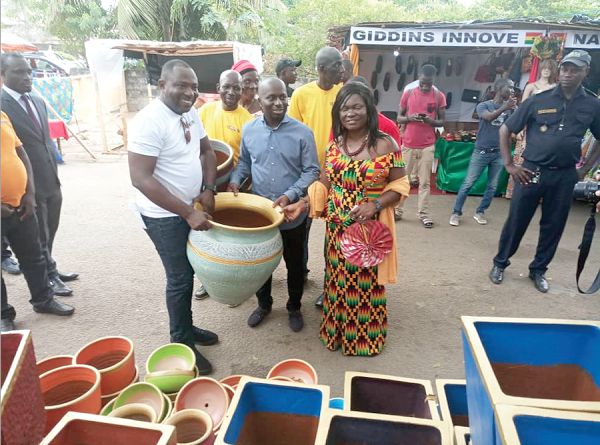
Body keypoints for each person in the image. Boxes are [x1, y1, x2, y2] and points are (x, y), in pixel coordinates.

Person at [284, 82, 409, 356]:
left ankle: (363, 341)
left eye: (356, 106)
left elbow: (400, 186)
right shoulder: (334, 147)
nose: (350, 113)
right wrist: (302, 204)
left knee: (364, 287)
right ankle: (336, 333)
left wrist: (374, 204)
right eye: (344, 108)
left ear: (369, 109)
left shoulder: (386, 145)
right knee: (336, 282)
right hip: (336, 231)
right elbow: (325, 185)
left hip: (368, 234)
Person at [128, 59, 219, 374]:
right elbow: (140, 178)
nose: (190, 92)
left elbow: (207, 152)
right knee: (180, 278)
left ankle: (188, 328)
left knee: (189, 272)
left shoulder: (190, 112)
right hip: (163, 215)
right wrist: (186, 212)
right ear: (162, 85)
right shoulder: (148, 121)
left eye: (193, 86)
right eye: (182, 85)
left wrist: (209, 188)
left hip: (191, 207)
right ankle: (181, 344)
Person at [489, 50, 600, 293]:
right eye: (565, 69)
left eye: (574, 70)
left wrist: (585, 170)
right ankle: (500, 263)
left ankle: (538, 270)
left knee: (554, 225)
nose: (568, 74)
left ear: (585, 72)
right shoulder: (538, 100)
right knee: (516, 220)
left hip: (564, 175)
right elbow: (505, 129)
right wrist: (509, 165)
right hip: (530, 171)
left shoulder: (592, 105)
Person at [227, 78, 320, 332]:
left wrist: (291, 194)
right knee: (261, 263)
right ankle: (264, 305)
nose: (279, 102)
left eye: (283, 96)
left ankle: (294, 307)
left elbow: (312, 170)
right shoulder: (249, 129)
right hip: (260, 214)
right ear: (259, 99)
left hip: (293, 215)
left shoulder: (302, 132)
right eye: (272, 98)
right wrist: (236, 179)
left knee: (295, 264)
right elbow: (245, 162)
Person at [1, 53, 78, 297]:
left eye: (28, 71)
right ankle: (49, 276)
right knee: (37, 235)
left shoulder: (37, 99)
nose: (26, 77)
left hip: (49, 177)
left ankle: (50, 266)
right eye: (18, 72)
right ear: (3, 75)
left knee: (50, 229)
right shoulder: (2, 104)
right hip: (26, 184)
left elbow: (43, 140)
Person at [1, 111, 74, 332]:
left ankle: (43, 300)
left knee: (33, 257)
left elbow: (20, 151)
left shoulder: (3, 115)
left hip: (21, 204)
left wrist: (30, 192)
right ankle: (3, 315)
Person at [288, 46, 344, 306]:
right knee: (302, 229)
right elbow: (292, 134)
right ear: (322, 68)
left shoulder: (343, 94)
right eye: (336, 67)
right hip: (309, 175)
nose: (341, 71)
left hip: (339, 174)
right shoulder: (301, 94)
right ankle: (301, 274)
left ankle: (330, 286)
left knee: (335, 233)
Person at [449, 79, 516, 226]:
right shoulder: (484, 105)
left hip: (499, 152)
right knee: (468, 183)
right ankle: (456, 213)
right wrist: (505, 107)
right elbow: (488, 117)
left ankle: (480, 212)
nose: (512, 90)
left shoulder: (511, 108)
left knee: (492, 186)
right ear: (499, 88)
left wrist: (516, 110)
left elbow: (514, 127)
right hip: (481, 151)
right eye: (509, 87)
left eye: (513, 88)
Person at [395, 64, 446, 227]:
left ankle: (423, 214)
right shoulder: (409, 92)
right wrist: (410, 118)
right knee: (403, 180)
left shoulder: (439, 96)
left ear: (433, 80)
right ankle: (397, 211)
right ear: (419, 77)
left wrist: (431, 121)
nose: (425, 86)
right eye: (423, 82)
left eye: (428, 83)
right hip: (408, 143)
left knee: (424, 182)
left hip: (427, 145)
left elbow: (442, 121)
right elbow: (399, 117)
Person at [506, 59, 558, 199]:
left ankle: (540, 192)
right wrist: (521, 128)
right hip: (530, 125)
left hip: (549, 127)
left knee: (544, 158)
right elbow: (522, 109)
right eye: (544, 68)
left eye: (549, 68)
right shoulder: (531, 86)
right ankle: (515, 190)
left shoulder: (556, 87)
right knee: (521, 158)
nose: (546, 71)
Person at [198, 70, 253, 165]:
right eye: (226, 87)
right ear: (218, 88)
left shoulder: (248, 121)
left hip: (233, 177)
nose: (231, 92)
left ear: (241, 91)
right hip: (205, 173)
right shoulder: (205, 111)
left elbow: (249, 158)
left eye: (236, 88)